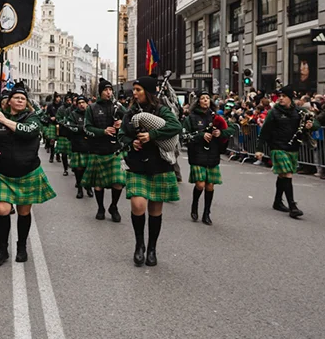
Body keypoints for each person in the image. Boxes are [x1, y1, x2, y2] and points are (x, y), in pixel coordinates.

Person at [0, 85, 55, 267]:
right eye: (17, 98)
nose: (20, 101)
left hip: (28, 171)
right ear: (9, 101)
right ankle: (2, 249)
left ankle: (21, 246)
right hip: (3, 173)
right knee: (2, 210)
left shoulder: (33, 118)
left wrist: (5, 120)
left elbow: (27, 131)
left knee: (24, 212)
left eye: (23, 99)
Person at [120, 77, 181, 266]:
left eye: (138, 89)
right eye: (134, 89)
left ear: (147, 91)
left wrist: (151, 135)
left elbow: (176, 127)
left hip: (159, 165)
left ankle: (152, 248)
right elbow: (122, 134)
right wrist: (132, 142)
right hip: (138, 165)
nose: (135, 93)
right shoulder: (130, 112)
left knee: (155, 210)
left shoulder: (162, 110)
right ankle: (139, 245)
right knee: (138, 206)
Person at [256, 88, 312, 219]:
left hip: (292, 147)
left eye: (283, 96)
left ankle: (277, 202)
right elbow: (264, 131)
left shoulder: (299, 112)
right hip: (277, 147)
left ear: (290, 98)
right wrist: (259, 149)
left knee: (282, 175)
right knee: (287, 174)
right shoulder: (273, 113)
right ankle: (293, 206)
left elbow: (315, 122)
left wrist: (311, 125)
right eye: (279, 96)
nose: (280, 98)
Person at [182, 91, 232, 225]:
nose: (206, 100)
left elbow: (230, 130)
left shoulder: (216, 117)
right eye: (203, 98)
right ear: (198, 101)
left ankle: (206, 213)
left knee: (210, 186)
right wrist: (200, 136)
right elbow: (184, 136)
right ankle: (194, 204)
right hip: (197, 154)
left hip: (213, 153)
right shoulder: (191, 118)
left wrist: (220, 133)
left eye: (207, 98)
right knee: (200, 184)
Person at [83, 79, 126, 221]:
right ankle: (100, 207)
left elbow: (131, 120)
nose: (109, 92)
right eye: (106, 90)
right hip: (98, 150)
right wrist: (103, 132)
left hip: (115, 150)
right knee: (98, 185)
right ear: (100, 92)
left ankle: (113, 206)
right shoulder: (92, 108)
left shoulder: (118, 107)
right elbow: (87, 128)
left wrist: (122, 123)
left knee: (118, 182)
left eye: (110, 90)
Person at [67, 95, 91, 197]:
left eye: (83, 102)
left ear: (87, 103)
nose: (81, 104)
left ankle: (89, 187)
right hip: (77, 144)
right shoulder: (73, 114)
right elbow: (70, 127)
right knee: (78, 169)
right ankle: (80, 188)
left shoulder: (91, 113)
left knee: (88, 168)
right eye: (79, 103)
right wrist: (83, 129)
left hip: (90, 144)